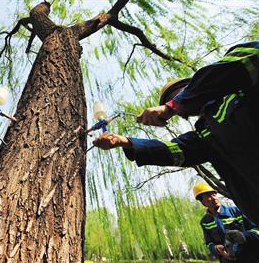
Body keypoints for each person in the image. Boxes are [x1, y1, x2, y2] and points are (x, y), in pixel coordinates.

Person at [93, 41, 259, 225]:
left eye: (178, 93)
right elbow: (175, 150)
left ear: (192, 85)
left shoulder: (238, 91)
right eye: (170, 99)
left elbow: (249, 57)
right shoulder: (205, 134)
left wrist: (172, 106)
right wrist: (124, 141)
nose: (176, 101)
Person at [193, 183, 259, 262]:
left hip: (249, 257)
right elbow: (209, 243)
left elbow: (256, 229)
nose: (214, 198)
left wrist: (244, 235)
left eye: (214, 194)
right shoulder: (205, 222)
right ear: (203, 202)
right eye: (208, 196)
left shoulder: (236, 211)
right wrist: (216, 249)